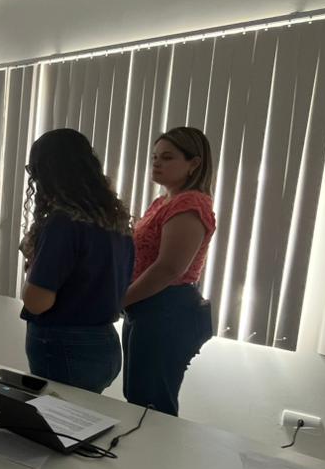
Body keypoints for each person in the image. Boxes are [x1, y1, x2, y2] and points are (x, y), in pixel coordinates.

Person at [19, 129, 135, 393]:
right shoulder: (116, 222)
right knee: (82, 415)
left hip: (65, 346)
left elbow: (37, 302)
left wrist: (33, 262)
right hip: (105, 342)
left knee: (56, 416)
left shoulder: (63, 222)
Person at [121, 127, 217, 416]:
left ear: (194, 163)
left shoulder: (190, 203)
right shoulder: (163, 202)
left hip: (167, 309)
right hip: (146, 306)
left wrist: (120, 300)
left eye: (167, 157)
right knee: (139, 397)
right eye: (154, 157)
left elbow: (169, 269)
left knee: (151, 404)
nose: (156, 163)